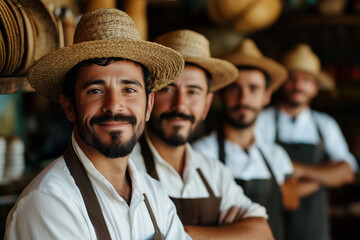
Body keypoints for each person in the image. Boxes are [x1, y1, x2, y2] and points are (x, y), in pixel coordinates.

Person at [5, 8, 190, 240]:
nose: (114, 106)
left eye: (129, 90)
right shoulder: (49, 203)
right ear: (70, 107)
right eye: (96, 90)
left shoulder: (153, 194)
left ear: (149, 106)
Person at [131, 30, 273, 239]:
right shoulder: (126, 168)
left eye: (193, 92)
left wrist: (181, 233)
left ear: (206, 105)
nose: (180, 105)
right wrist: (226, 233)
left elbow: (263, 233)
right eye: (168, 89)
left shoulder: (214, 172)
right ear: (149, 99)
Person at [193, 39, 295, 240]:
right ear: (221, 95)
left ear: (267, 96)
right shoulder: (200, 153)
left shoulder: (276, 156)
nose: (243, 99)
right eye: (234, 88)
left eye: (253, 88)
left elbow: (291, 202)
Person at [255, 43, 359, 240]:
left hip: (314, 227)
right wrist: (325, 174)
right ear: (282, 83)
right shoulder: (263, 120)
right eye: (292, 79)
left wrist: (300, 170)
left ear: (315, 88)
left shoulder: (325, 124)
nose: (298, 85)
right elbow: (265, 176)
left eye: (306, 80)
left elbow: (346, 172)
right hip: (271, 222)